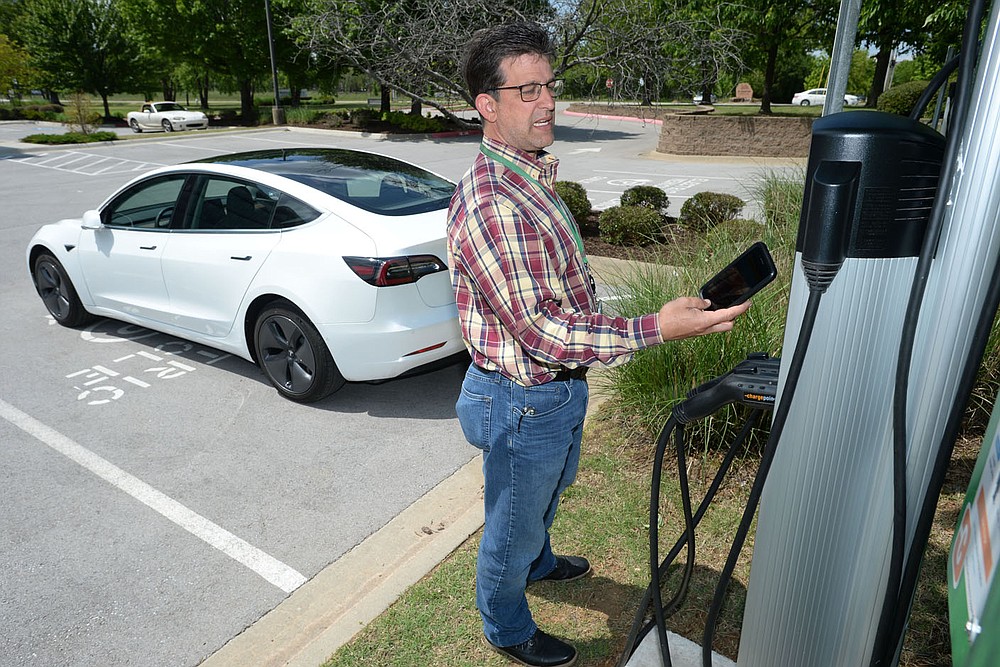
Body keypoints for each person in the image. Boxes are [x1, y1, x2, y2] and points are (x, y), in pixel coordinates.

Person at [446, 22, 751, 667]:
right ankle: (504, 623)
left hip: (552, 391)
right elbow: (543, 331)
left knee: (550, 491)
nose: (547, 102)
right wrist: (654, 328)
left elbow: (560, 290)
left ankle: (538, 560)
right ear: (487, 106)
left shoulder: (529, 173)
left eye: (548, 86)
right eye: (525, 92)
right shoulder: (494, 201)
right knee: (510, 523)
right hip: (519, 397)